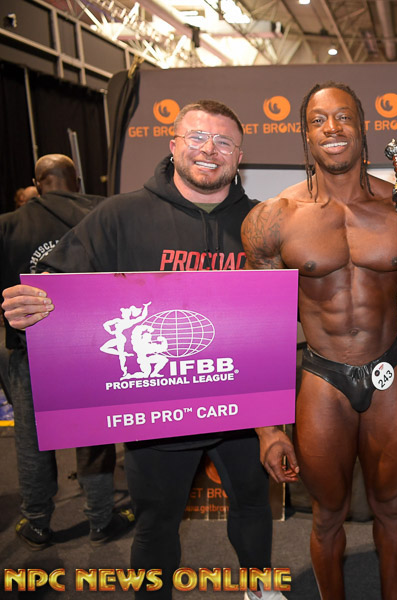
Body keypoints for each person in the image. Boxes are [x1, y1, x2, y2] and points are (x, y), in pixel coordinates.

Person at [1, 101, 284, 600]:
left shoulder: (260, 223)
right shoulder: (120, 215)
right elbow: (55, 282)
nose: (209, 150)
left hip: (239, 407)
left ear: (239, 156)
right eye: (197, 137)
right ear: (174, 145)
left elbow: (288, 304)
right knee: (156, 524)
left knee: (254, 507)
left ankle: (259, 590)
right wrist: (31, 305)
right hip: (155, 408)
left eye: (224, 141)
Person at [243, 81, 397, 600]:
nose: (331, 128)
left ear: (362, 128)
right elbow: (263, 331)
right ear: (305, 134)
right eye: (318, 120)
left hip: (388, 373)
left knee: (392, 510)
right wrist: (267, 429)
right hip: (323, 380)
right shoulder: (273, 219)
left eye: (343, 117)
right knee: (327, 516)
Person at [0, 154, 132, 550]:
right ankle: (101, 519)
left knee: (31, 439)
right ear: (77, 181)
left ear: (37, 183)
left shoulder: (8, 225)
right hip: (88, 347)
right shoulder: (101, 214)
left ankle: (37, 522)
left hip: (28, 347)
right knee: (93, 434)